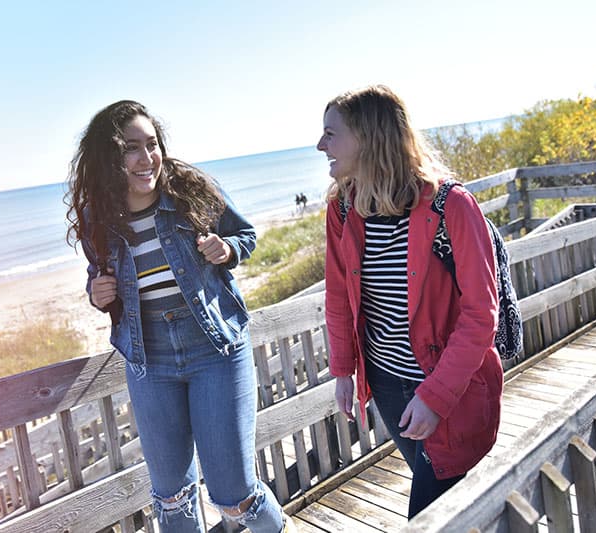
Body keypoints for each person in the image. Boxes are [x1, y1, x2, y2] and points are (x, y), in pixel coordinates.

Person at [65, 100, 294, 532]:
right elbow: (104, 280)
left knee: (234, 497)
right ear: (108, 158)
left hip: (216, 350)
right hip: (150, 362)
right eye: (131, 148)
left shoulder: (192, 190)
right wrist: (97, 294)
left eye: (152, 144)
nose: (146, 157)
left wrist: (227, 250)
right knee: (171, 500)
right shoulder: (99, 217)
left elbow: (244, 235)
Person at [317, 85, 503, 519]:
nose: (320, 145)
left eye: (331, 133)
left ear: (369, 136)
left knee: (432, 516)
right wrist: (344, 371)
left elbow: (481, 316)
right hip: (385, 385)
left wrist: (435, 397)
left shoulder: (450, 205)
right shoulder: (342, 208)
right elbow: (339, 296)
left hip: (449, 390)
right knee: (457, 510)